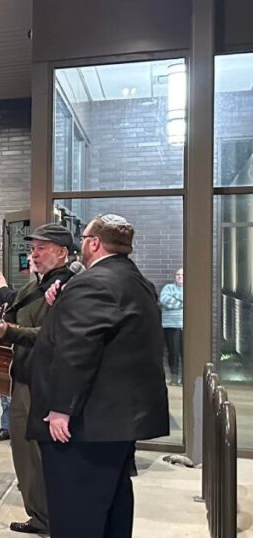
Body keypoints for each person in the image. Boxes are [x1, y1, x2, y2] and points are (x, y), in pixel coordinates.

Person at [26, 215, 169, 537]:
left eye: (84, 237)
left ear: (94, 243)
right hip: (115, 422)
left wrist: (61, 408)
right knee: (111, 505)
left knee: (77, 512)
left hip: (87, 425)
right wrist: (62, 304)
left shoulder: (93, 282)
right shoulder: (135, 280)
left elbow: (77, 350)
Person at [0, 223, 75, 535]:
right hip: (21, 377)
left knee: (35, 455)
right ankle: (40, 515)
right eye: (33, 248)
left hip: (41, 383)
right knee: (24, 454)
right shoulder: (37, 285)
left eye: (42, 248)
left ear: (62, 252)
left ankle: (48, 517)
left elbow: (50, 335)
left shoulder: (64, 286)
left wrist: (6, 332)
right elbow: (8, 311)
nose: (33, 254)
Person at [160, 268, 184, 386]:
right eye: (177, 275)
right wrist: (182, 302)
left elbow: (192, 299)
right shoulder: (168, 288)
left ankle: (185, 378)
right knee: (173, 353)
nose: (179, 277)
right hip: (170, 326)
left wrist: (176, 298)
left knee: (186, 353)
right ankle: (174, 378)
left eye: (182, 275)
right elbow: (165, 300)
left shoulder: (191, 288)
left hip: (185, 327)